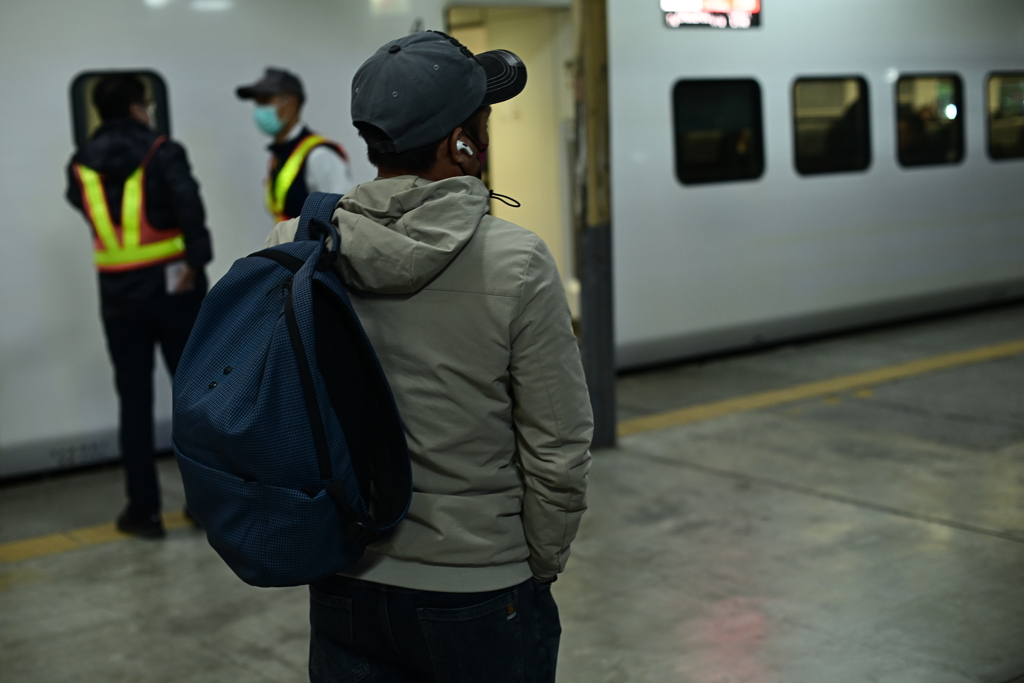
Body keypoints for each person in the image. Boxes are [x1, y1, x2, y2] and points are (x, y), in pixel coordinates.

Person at [264, 31, 593, 683]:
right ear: (461, 144)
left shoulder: (299, 246)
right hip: (478, 590)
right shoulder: (518, 262)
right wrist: (533, 564)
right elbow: (557, 446)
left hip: (344, 579)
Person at [65, 74, 212, 538]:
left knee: (133, 401)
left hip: (117, 300)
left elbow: (80, 203)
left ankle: (142, 512)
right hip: (174, 291)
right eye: (145, 105)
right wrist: (197, 259)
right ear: (134, 108)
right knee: (193, 397)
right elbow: (189, 207)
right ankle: (205, 506)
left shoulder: (80, 164)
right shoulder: (163, 151)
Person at [236, 67, 353, 222]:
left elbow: (343, 218)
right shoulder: (281, 155)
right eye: (257, 102)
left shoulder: (320, 156)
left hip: (313, 246)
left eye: (265, 101)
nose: (259, 110)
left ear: (291, 103)